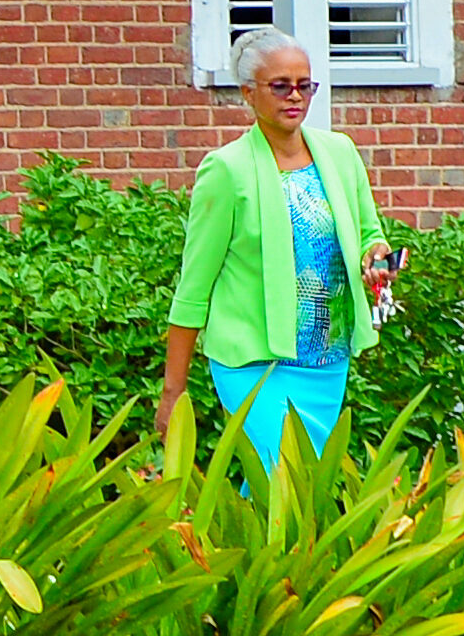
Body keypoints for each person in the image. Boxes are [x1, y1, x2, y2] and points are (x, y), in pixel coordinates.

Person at [157, 28, 394, 466]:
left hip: (326, 358)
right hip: (254, 364)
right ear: (249, 93)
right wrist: (174, 391)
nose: (295, 97)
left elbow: (368, 232)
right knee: (276, 475)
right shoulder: (226, 170)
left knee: (301, 488)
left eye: (305, 85)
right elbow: (194, 285)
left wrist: (375, 256)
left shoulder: (340, 152)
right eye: (280, 86)